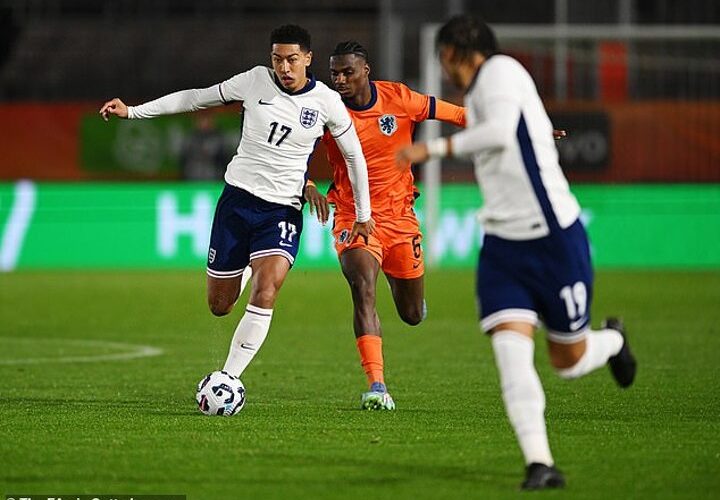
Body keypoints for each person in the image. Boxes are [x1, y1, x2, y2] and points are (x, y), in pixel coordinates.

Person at [397, 16, 636, 490]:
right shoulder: (481, 92)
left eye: (443, 56)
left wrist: (432, 150)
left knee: (567, 362)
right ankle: (539, 463)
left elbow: (503, 134)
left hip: (553, 239)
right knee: (511, 354)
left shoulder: (501, 71)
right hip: (503, 246)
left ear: (456, 50)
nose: (443, 68)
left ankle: (612, 342)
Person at [100, 24, 374, 395]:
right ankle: (245, 266)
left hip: (281, 210)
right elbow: (197, 97)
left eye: (292, 60)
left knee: (267, 289)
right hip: (237, 202)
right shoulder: (254, 81)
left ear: (308, 59)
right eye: (277, 59)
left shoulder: (326, 102)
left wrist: (363, 215)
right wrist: (133, 112)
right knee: (219, 305)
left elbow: (354, 156)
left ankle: (228, 379)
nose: (284, 68)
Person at [303, 41, 466, 410]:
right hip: (352, 216)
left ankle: (408, 293)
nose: (340, 80)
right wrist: (308, 185)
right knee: (362, 288)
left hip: (400, 217)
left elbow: (454, 114)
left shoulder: (399, 98)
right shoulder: (325, 109)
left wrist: (518, 129)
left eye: (347, 72)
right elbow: (298, 152)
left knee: (411, 314)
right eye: (334, 74)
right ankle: (377, 385)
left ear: (365, 71)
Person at [179, 113, 227, 181]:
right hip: (193, 175)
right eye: (202, 121)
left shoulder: (218, 137)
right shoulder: (191, 138)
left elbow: (223, 157)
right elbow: (183, 157)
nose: (204, 124)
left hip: (213, 175)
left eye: (207, 121)